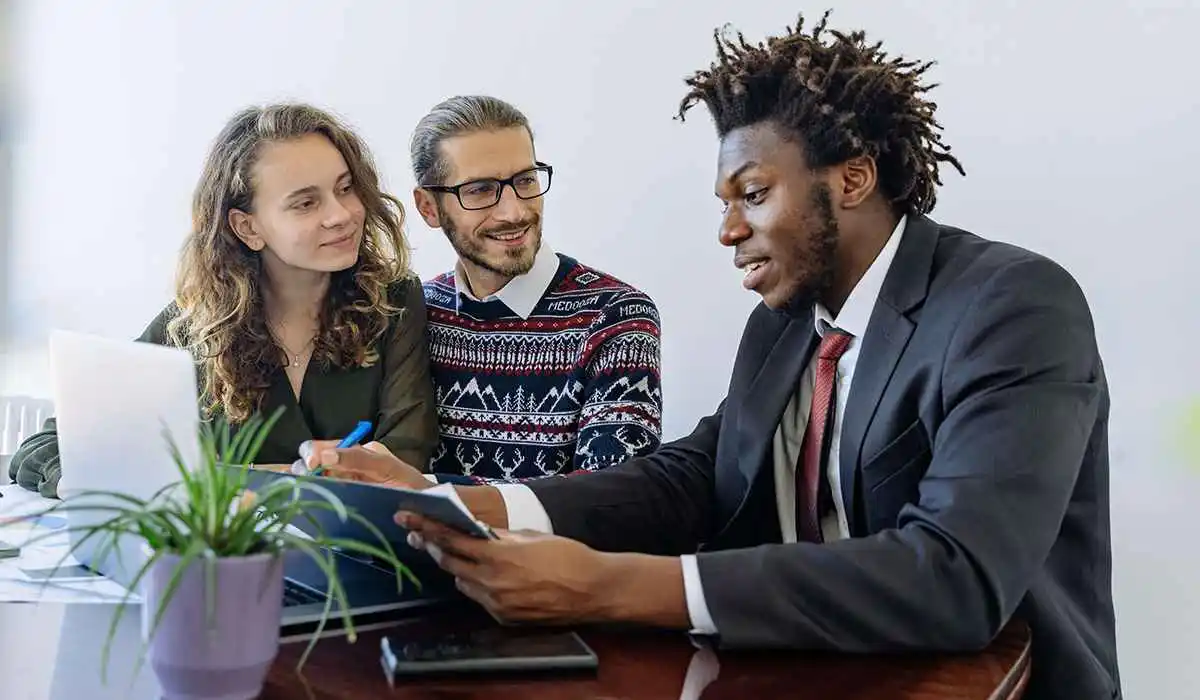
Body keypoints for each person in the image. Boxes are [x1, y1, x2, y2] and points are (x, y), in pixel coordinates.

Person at [304, 12, 1120, 700]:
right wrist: (457, 504)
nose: (728, 231)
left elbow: (953, 577)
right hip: (806, 671)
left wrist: (606, 585)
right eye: (724, 204)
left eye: (753, 195)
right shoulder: (787, 323)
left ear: (855, 177)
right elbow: (693, 476)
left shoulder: (1012, 306)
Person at [8, 102, 439, 498]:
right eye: (306, 203)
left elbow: (401, 461)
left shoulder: (394, 302)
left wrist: (221, 478)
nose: (342, 214)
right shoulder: (193, 325)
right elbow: (48, 447)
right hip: (223, 564)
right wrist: (92, 485)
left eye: (345, 189)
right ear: (247, 228)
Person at [407, 95, 663, 482]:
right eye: (480, 190)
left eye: (525, 180)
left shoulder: (616, 318)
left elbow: (607, 502)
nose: (514, 211)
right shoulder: (414, 314)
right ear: (428, 207)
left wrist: (421, 488)